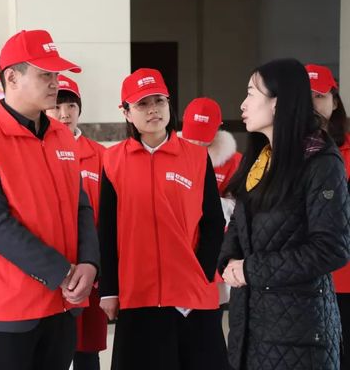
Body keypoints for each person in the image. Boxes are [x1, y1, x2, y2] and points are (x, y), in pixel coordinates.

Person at [0, 29, 100, 370]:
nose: (55, 83)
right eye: (45, 75)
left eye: (56, 75)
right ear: (12, 77)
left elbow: (80, 205)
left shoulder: (62, 135)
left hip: (62, 305)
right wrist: (62, 272)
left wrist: (89, 263)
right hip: (9, 311)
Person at [218, 58, 350, 370]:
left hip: (299, 336)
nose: (242, 104)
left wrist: (251, 270)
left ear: (277, 103)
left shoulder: (321, 162)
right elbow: (239, 222)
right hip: (249, 329)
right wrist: (229, 260)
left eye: (251, 93)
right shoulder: (260, 158)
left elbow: (331, 248)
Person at [98, 68, 228, 370]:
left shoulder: (196, 157)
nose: (153, 109)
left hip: (191, 294)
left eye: (159, 101)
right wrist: (109, 289)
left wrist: (201, 272)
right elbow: (107, 229)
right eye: (142, 104)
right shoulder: (113, 160)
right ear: (126, 112)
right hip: (137, 293)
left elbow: (212, 222)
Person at [46, 75, 107, 370]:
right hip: (49, 270)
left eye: (71, 105)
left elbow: (108, 218)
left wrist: (97, 265)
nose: (64, 113)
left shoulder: (101, 156)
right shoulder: (38, 152)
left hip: (90, 271)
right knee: (50, 350)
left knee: (86, 350)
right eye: (57, 106)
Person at [305, 63, 350, 369]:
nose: (312, 104)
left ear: (335, 101)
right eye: (305, 97)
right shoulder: (277, 151)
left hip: (344, 281)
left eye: (319, 96)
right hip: (299, 282)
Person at [180, 97, 243, 306]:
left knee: (207, 306)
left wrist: (205, 203)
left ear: (218, 129)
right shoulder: (171, 153)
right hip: (178, 244)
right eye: (192, 134)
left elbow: (240, 208)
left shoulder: (233, 162)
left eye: (203, 136)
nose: (197, 143)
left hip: (213, 246)